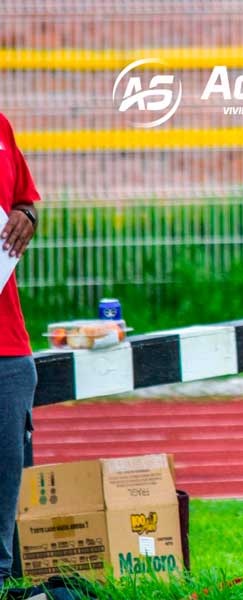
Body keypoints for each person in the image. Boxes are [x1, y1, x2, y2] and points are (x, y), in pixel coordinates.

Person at [0, 112, 40, 586]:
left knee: (6, 469)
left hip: (8, 342)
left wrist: (26, 217)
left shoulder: (2, 128)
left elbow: (26, 201)